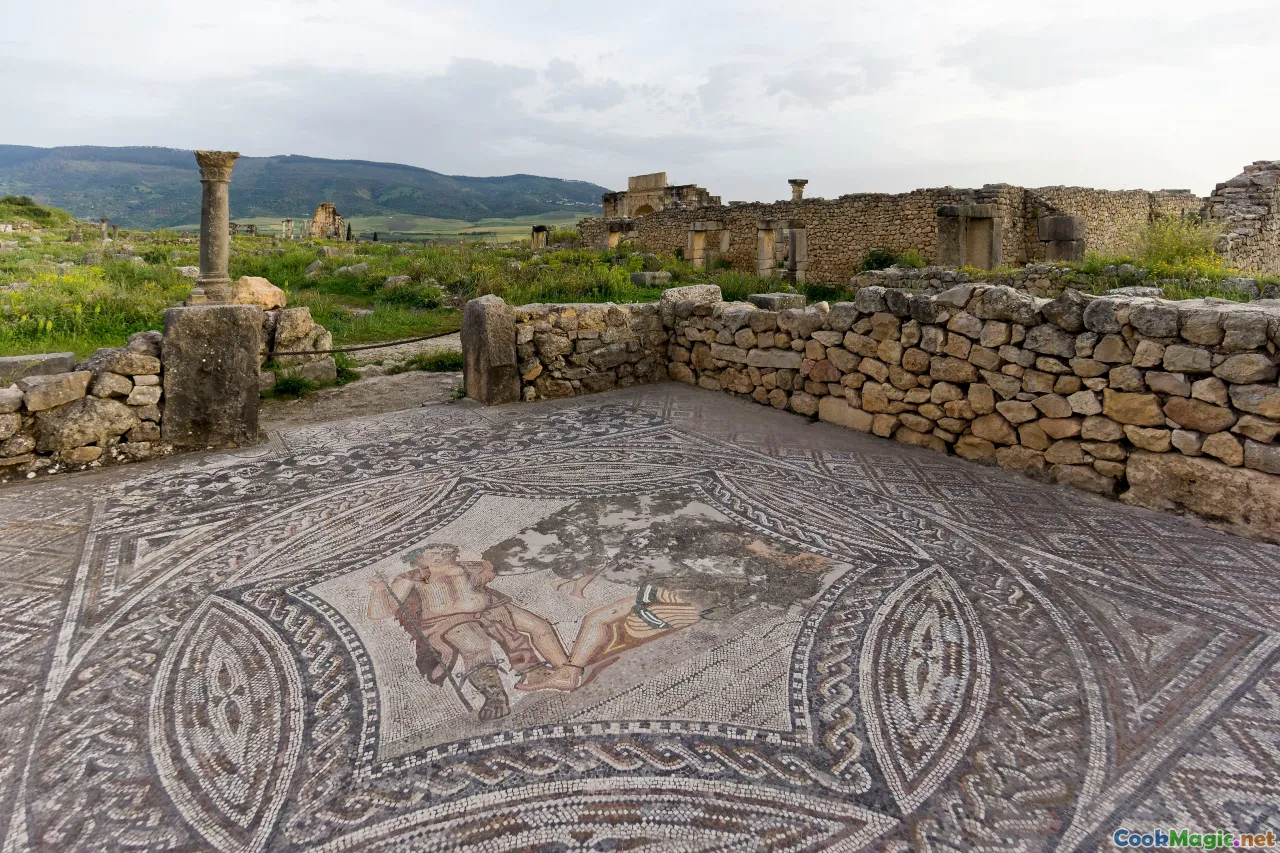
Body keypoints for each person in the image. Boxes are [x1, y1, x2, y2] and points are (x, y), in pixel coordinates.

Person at [366, 545, 569, 720]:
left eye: (442, 551)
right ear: (419, 557)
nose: (438, 556)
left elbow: (506, 565)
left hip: (491, 609)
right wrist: (379, 590)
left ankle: (565, 670)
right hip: (446, 621)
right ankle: (495, 697)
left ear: (452, 552)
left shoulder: (472, 567)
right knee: (474, 644)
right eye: (430, 553)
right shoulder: (410, 579)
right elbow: (380, 613)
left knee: (539, 625)